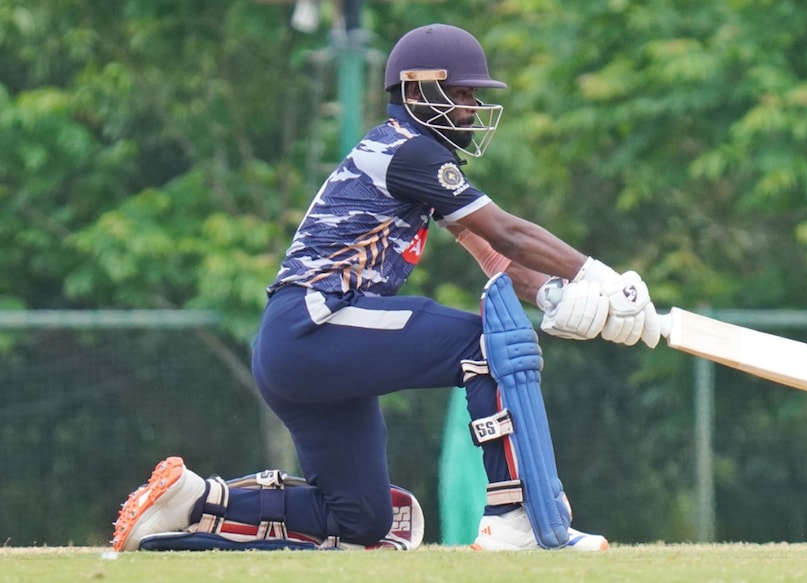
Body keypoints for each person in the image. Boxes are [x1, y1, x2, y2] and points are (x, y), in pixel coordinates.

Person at [111, 23, 659, 553]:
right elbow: (508, 231)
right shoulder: (411, 151)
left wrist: (553, 296)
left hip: (301, 350)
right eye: (461, 94)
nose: (471, 109)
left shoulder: (408, 157)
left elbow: (493, 255)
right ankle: (513, 516)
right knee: (486, 344)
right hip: (313, 326)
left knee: (360, 521)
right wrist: (602, 278)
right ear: (419, 90)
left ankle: (197, 501)